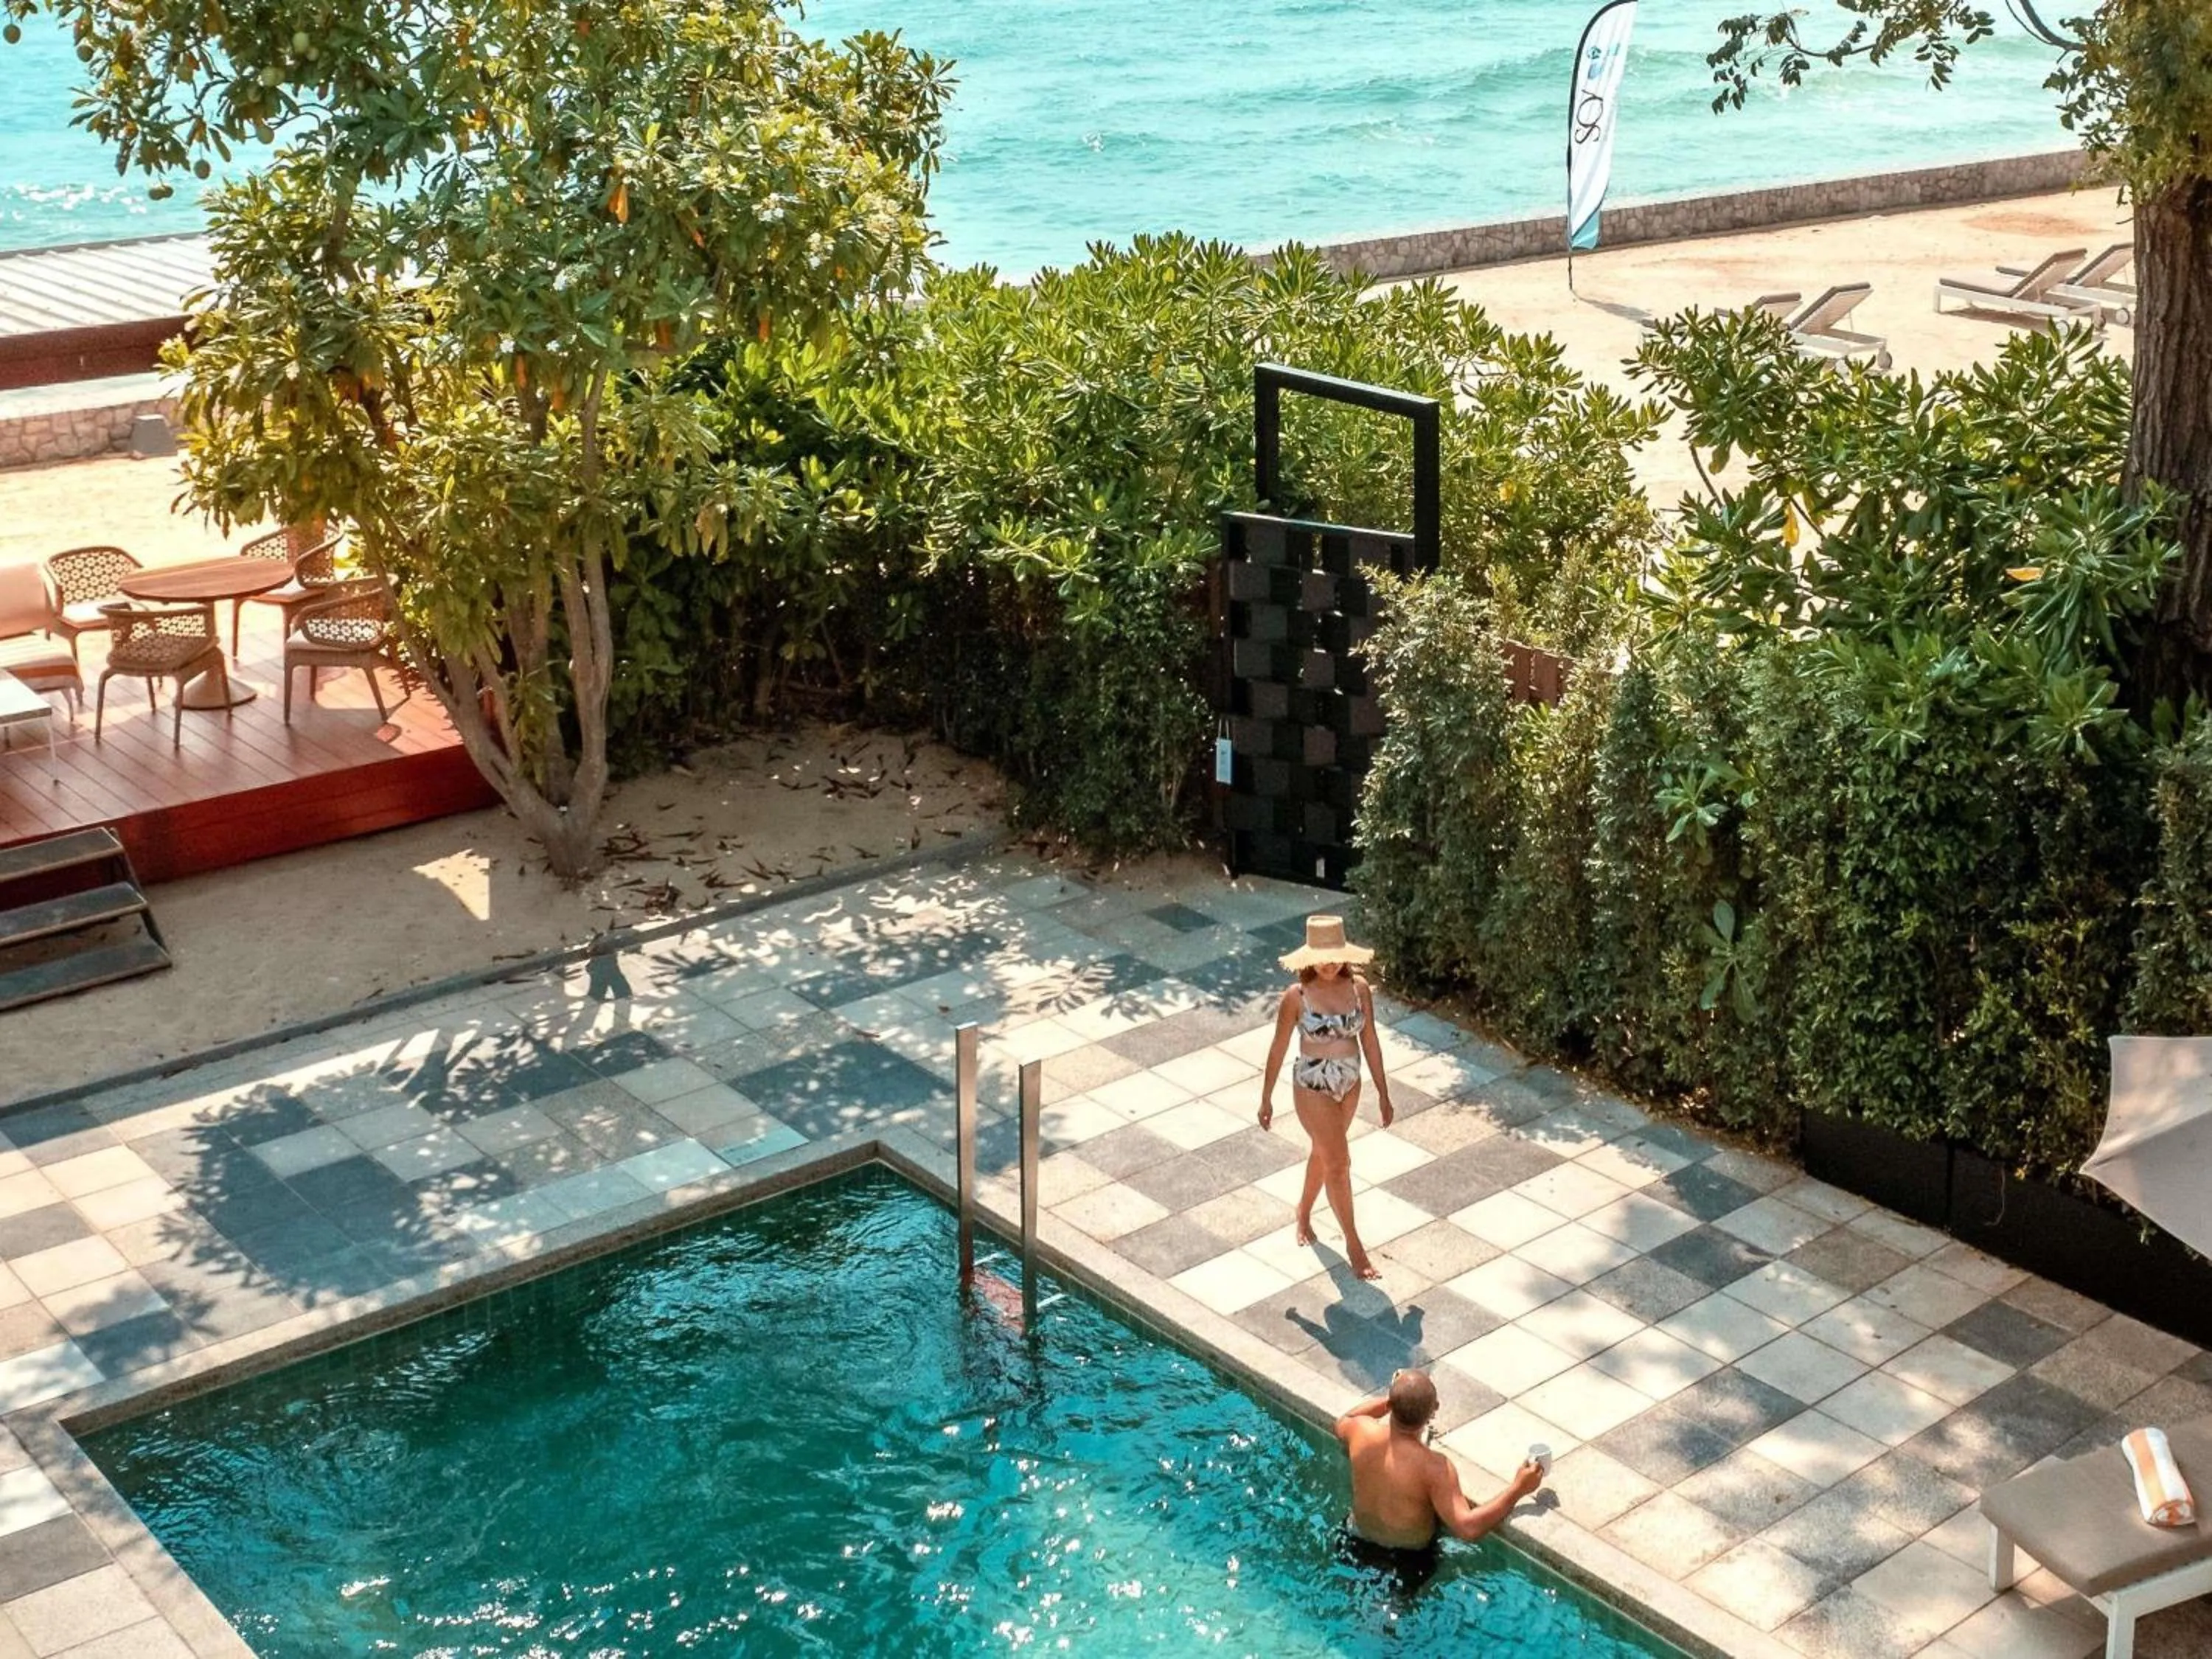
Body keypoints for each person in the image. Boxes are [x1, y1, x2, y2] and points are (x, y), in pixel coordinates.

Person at [1259, 914, 1394, 1279]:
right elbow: (1278, 1047)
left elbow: (1370, 1041)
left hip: (1350, 1082)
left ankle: (1303, 1210)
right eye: (1322, 955)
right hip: (1312, 1085)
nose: (1329, 963)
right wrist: (1266, 1097)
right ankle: (1355, 1246)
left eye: (1335, 955)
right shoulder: (1296, 997)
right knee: (1339, 1162)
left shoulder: (1359, 989)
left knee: (1326, 1153)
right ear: (1309, 958)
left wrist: (1383, 1092)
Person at [1335, 1369, 1545, 1584]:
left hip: (1353, 1541)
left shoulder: (1361, 1431)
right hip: (1406, 1563)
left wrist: (1396, 1397)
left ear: (1389, 1406)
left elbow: (1346, 1418)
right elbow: (1468, 1527)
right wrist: (1519, 1488)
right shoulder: (1435, 1467)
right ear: (1434, 1410)